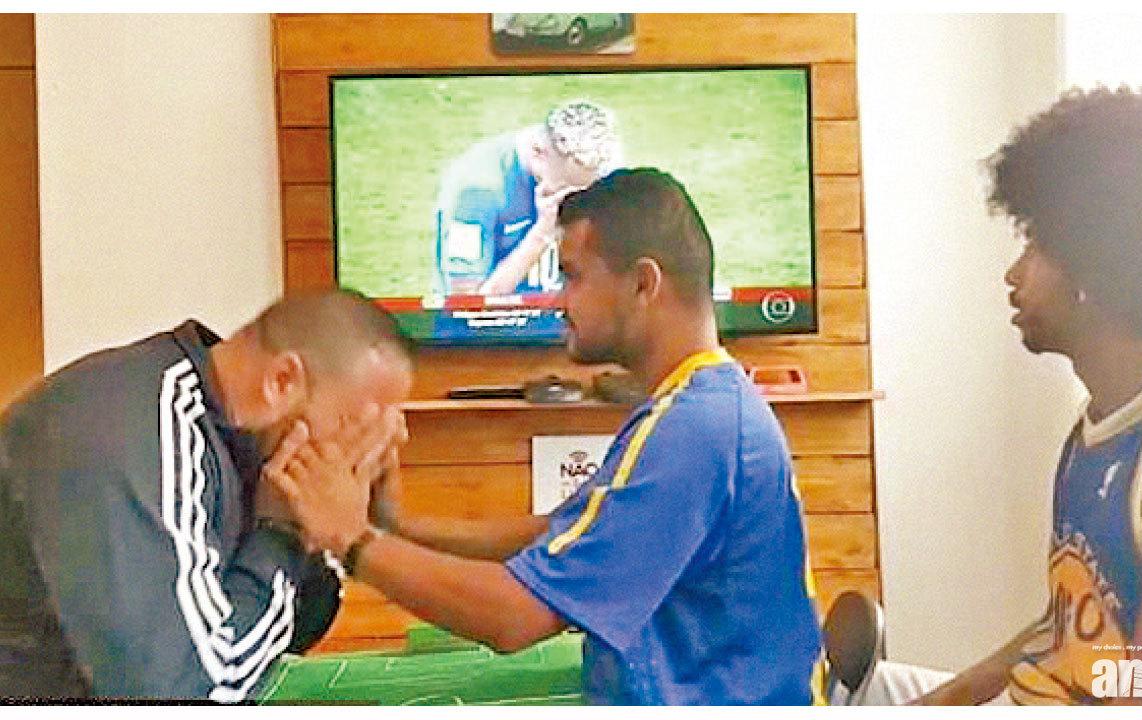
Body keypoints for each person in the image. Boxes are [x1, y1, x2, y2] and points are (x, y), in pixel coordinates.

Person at [273, 168, 824, 704]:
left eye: (573, 276)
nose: (559, 301)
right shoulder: (695, 406)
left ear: (642, 284)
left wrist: (352, 540)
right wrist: (395, 526)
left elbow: (516, 617)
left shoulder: (695, 428)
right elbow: (556, 536)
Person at [859, 82, 1142, 706]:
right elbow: (1068, 626)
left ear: (1096, 268)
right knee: (865, 691)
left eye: (1035, 247)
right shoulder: (1102, 421)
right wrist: (937, 703)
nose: (1013, 273)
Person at [0, 290, 412, 702]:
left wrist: (336, 531)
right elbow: (193, 692)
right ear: (282, 381)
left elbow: (285, 636)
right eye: (357, 426)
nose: (367, 449)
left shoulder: (235, 438)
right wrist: (280, 533)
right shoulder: (144, 433)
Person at [431, 99, 621, 301]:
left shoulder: (600, 168)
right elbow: (466, 305)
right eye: (566, 190)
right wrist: (543, 233)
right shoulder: (476, 191)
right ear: (538, 154)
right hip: (501, 319)